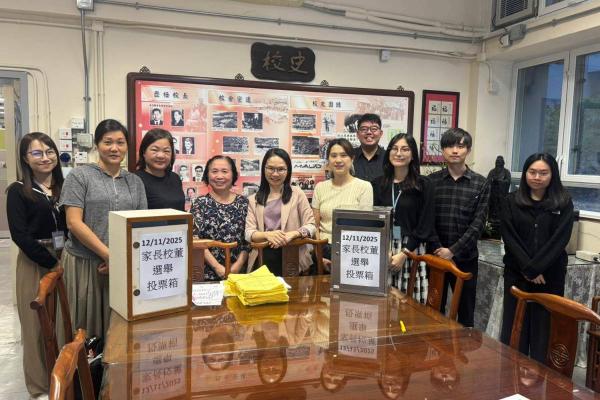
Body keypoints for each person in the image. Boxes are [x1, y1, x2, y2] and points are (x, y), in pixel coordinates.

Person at [59, 119, 147, 339]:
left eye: (120, 142)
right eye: (108, 142)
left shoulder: (135, 182)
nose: (114, 148)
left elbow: (141, 224)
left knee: (118, 328)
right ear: (97, 145)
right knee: (84, 329)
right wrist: (109, 255)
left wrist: (121, 260)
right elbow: (73, 222)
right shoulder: (79, 176)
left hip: (122, 265)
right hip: (85, 263)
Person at [6, 132, 66, 398]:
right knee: (35, 327)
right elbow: (20, 235)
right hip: (35, 260)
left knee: (62, 323)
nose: (45, 158)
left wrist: (63, 260)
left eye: (49, 151)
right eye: (37, 153)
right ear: (25, 158)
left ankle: (63, 379)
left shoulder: (65, 187)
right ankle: (40, 387)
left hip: (66, 257)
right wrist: (51, 262)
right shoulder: (18, 191)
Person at [499, 153, 574, 363]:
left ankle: (542, 380)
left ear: (552, 175)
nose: (537, 177)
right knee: (515, 330)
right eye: (532, 172)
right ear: (525, 174)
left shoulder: (563, 202)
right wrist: (529, 269)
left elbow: (560, 240)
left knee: (544, 332)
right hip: (517, 275)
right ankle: (511, 376)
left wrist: (537, 268)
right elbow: (510, 237)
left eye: (543, 173)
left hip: (549, 277)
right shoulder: (511, 201)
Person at [429, 128, 490, 327]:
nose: (455, 150)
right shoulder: (431, 181)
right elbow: (427, 221)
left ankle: (464, 347)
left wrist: (453, 251)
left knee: (465, 313)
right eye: (450, 146)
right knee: (433, 311)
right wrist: (440, 249)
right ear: (442, 150)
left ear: (468, 150)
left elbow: (478, 224)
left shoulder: (481, 183)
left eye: (460, 146)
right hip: (435, 257)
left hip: (466, 259)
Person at [371, 134, 435, 296]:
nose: (399, 153)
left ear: (413, 155)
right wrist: (385, 250)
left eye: (405, 149)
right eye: (394, 149)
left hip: (412, 249)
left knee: (410, 301)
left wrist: (404, 253)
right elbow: (374, 222)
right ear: (389, 153)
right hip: (383, 248)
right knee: (381, 299)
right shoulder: (378, 184)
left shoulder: (423, 185)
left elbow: (425, 224)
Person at [245, 148, 316, 276]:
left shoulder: (297, 194)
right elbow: (249, 233)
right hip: (263, 257)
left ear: (288, 171)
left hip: (293, 256)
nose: (275, 174)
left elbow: (311, 226)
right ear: (264, 169)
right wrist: (268, 235)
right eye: (270, 168)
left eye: (281, 169)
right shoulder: (253, 199)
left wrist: (293, 234)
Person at [312, 138, 373, 270]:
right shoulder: (320, 187)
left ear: (352, 159)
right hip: (324, 249)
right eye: (333, 156)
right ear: (328, 160)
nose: (338, 160)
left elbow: (366, 228)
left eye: (344, 155)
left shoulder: (364, 187)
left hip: (353, 250)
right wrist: (318, 254)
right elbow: (315, 225)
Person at [190, 155, 249, 281]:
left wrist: (237, 267)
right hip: (207, 274)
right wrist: (218, 268)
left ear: (233, 175)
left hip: (240, 274)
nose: (219, 176)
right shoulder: (199, 203)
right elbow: (195, 239)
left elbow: (248, 240)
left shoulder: (244, 202)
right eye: (214, 171)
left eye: (225, 171)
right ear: (207, 175)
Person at [135, 128, 185, 211]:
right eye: (155, 150)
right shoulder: (135, 179)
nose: (161, 155)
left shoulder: (175, 178)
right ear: (144, 152)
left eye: (166, 151)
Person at [353, 113, 385, 182]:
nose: (369, 132)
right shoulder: (349, 156)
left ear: (380, 133)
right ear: (357, 134)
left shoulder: (388, 157)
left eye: (374, 129)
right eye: (364, 129)